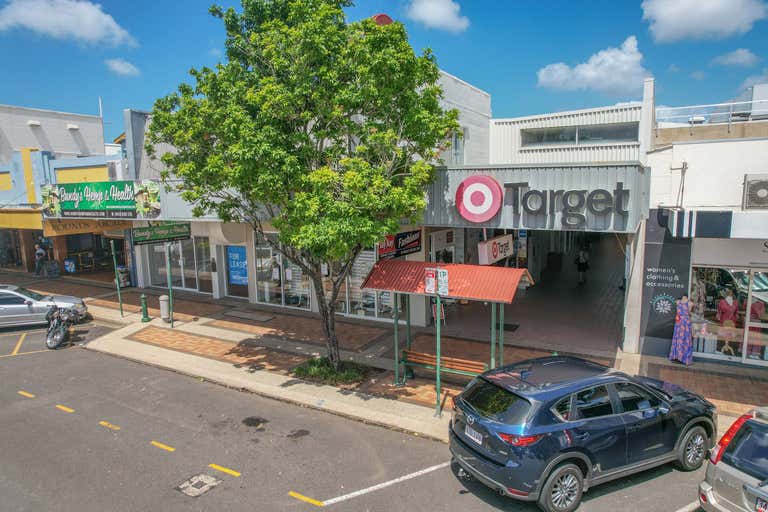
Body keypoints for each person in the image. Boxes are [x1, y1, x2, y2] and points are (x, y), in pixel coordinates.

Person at [669, 295, 693, 366]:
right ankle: (676, 356)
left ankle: (684, 358)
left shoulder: (690, 303)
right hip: (679, 322)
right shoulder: (678, 302)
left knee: (685, 339)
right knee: (678, 338)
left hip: (685, 323)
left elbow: (689, 313)